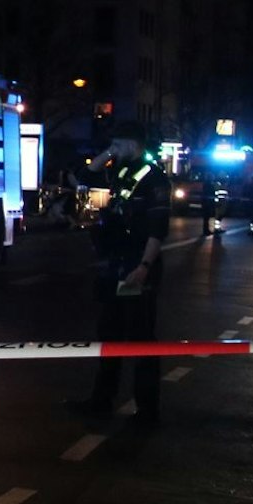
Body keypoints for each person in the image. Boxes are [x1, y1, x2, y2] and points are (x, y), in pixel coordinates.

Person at [64, 120, 171, 425]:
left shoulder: (154, 180)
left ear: (134, 143)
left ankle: (147, 411)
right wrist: (109, 152)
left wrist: (144, 268)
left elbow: (157, 230)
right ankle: (102, 400)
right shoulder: (123, 170)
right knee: (109, 334)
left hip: (137, 266)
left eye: (119, 143)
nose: (114, 149)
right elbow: (81, 177)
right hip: (117, 264)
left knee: (141, 338)